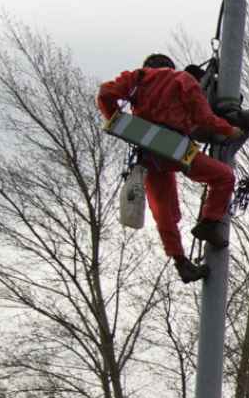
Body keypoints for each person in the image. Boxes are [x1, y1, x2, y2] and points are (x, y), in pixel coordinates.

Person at [96, 54, 240, 285]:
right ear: (170, 66)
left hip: (148, 149)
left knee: (165, 212)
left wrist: (118, 120)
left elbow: (105, 93)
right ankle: (209, 223)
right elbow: (204, 118)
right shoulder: (182, 79)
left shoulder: (137, 79)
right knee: (223, 177)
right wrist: (229, 130)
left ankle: (181, 262)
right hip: (174, 145)